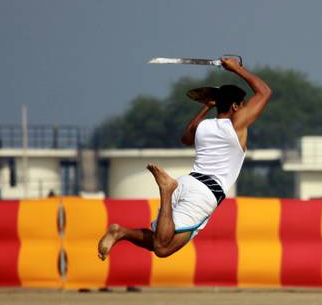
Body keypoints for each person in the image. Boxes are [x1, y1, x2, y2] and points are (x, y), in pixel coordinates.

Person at [98, 57, 271, 259]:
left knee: (160, 243)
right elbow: (264, 92)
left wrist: (206, 106)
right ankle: (165, 190)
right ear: (234, 107)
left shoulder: (203, 126)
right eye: (242, 105)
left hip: (187, 182)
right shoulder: (236, 125)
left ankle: (121, 232)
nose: (244, 109)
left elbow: (185, 138)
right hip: (206, 192)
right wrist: (236, 69)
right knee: (162, 246)